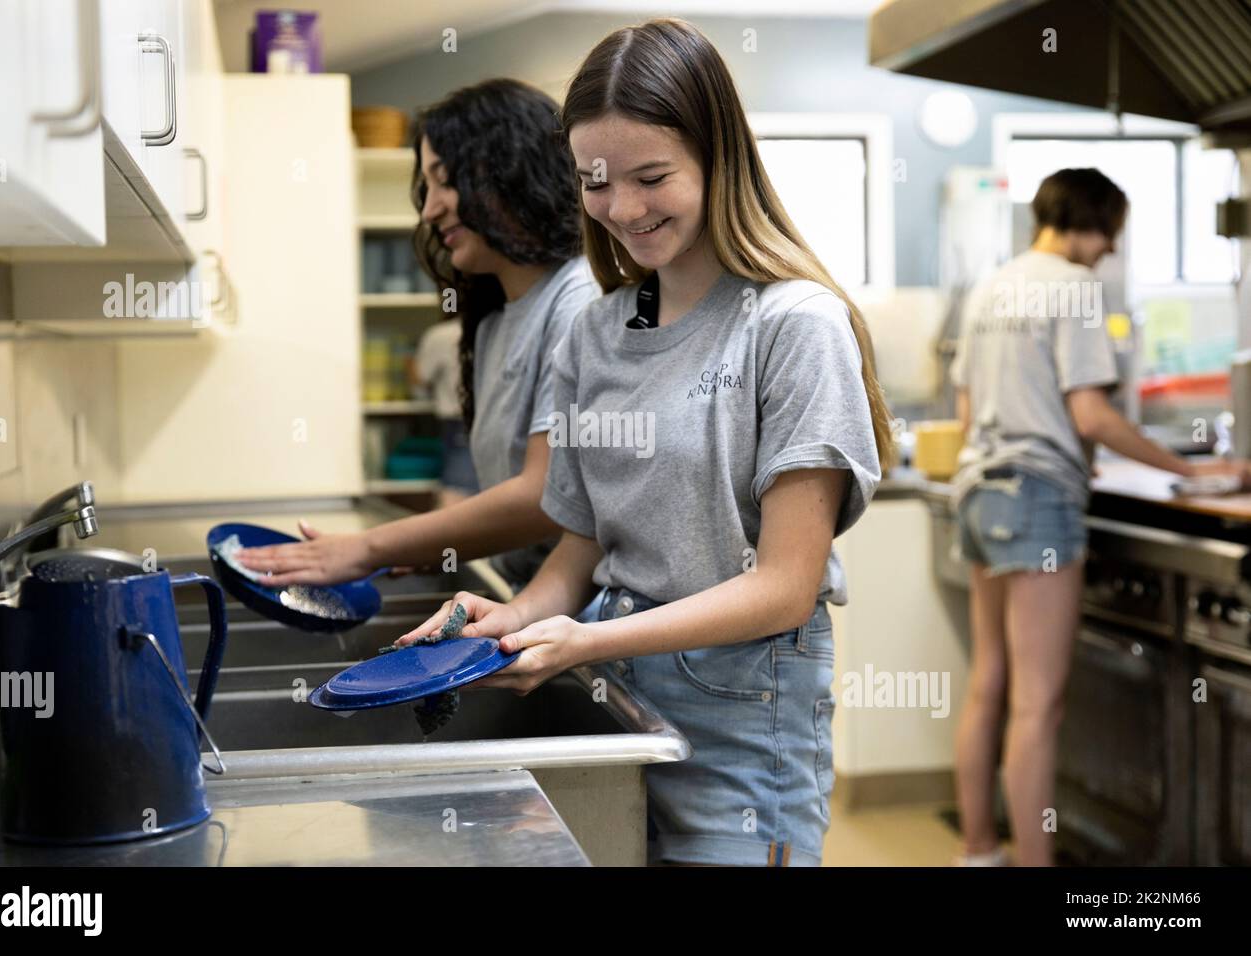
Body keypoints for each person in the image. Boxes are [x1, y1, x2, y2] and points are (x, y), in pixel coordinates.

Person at [398, 18, 895, 867]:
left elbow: (782, 587)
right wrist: (513, 622)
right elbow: (583, 547)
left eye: (652, 176)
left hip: (744, 725)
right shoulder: (595, 332)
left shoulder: (793, 326)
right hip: (618, 706)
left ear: (717, 157)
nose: (623, 208)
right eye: (596, 181)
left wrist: (585, 641)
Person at [949, 167, 1251, 867]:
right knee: (1038, 706)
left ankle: (977, 850)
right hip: (1036, 502)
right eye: (1108, 236)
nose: (1108, 253)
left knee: (988, 682)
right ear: (1091, 223)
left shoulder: (993, 285)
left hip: (979, 491)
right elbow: (1091, 412)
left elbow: (969, 411)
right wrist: (1191, 469)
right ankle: (1035, 864)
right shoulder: (1076, 288)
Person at [238, 79, 599, 593]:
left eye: (444, 180)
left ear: (511, 170)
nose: (429, 209)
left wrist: (370, 546)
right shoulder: (496, 321)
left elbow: (545, 495)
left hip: (584, 621)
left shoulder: (578, 298)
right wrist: (433, 548)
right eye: (426, 187)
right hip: (534, 602)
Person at [412, 317, 477, 507]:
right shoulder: (500, 325)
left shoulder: (442, 335)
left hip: (460, 422)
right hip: (497, 421)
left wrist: (408, 364)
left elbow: (420, 381)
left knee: (457, 493)